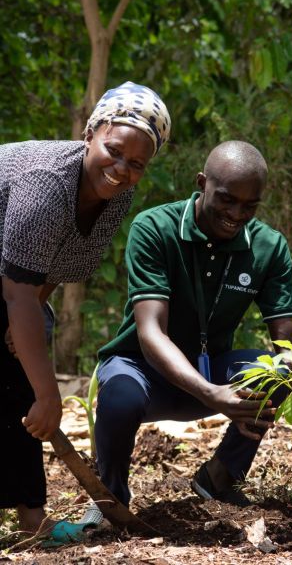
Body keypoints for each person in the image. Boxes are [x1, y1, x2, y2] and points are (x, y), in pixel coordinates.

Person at [91, 140, 292, 517]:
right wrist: (210, 392)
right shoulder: (155, 228)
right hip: (142, 370)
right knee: (119, 400)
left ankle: (220, 476)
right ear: (201, 182)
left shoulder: (268, 247)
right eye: (227, 199)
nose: (237, 214)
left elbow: (289, 342)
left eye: (250, 206)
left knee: (280, 372)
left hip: (214, 370)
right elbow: (150, 332)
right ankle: (111, 501)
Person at [0, 81, 171, 537]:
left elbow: (55, 263)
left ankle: (30, 516)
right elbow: (16, 293)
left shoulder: (117, 197)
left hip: (15, 282)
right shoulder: (46, 182)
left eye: (136, 164)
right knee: (28, 388)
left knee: (21, 376)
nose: (121, 169)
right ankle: (31, 516)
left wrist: (34, 306)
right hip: (10, 283)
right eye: (113, 151)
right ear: (90, 133)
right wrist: (49, 395)